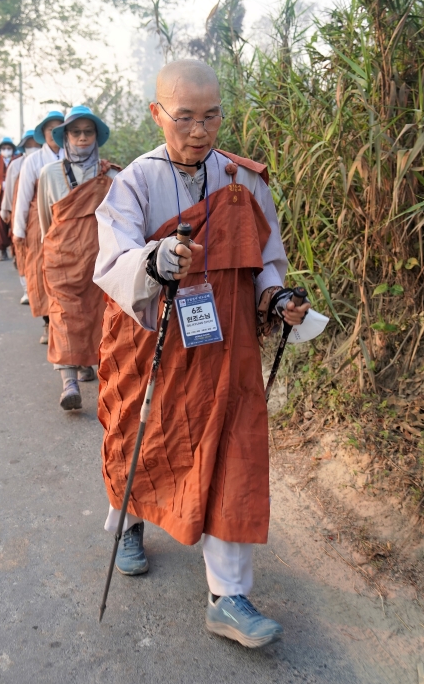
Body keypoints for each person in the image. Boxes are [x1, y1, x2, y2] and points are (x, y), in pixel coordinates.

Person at [94, 59, 310, 649]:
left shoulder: (243, 181)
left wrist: (277, 298)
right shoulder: (135, 182)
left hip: (228, 345)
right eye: (184, 117)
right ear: (156, 113)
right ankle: (129, 522)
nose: (199, 131)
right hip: (155, 343)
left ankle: (228, 598)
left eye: (211, 116)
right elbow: (113, 260)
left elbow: (266, 258)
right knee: (144, 438)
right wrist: (156, 261)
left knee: (234, 454)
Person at [38, 106, 120, 410]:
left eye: (88, 132)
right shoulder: (49, 174)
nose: (82, 138)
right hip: (61, 258)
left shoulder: (111, 175)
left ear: (96, 136)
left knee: (97, 314)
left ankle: (88, 363)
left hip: (100, 258)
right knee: (63, 314)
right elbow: (47, 221)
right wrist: (57, 247)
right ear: (66, 137)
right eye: (76, 132)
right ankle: (68, 383)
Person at [12, 111, 63, 344]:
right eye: (50, 129)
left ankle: (64, 324)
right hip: (37, 224)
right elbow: (23, 198)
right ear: (43, 133)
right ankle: (47, 322)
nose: (54, 133)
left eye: (58, 128)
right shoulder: (33, 161)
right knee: (41, 273)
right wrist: (19, 231)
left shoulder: (73, 156)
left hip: (67, 223)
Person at [1, 130, 40, 303]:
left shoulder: (46, 162)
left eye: (36, 144)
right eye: (29, 145)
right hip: (19, 212)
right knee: (22, 252)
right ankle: (26, 289)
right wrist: (6, 209)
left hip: (40, 216)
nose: (33, 147)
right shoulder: (16, 165)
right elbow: (9, 190)